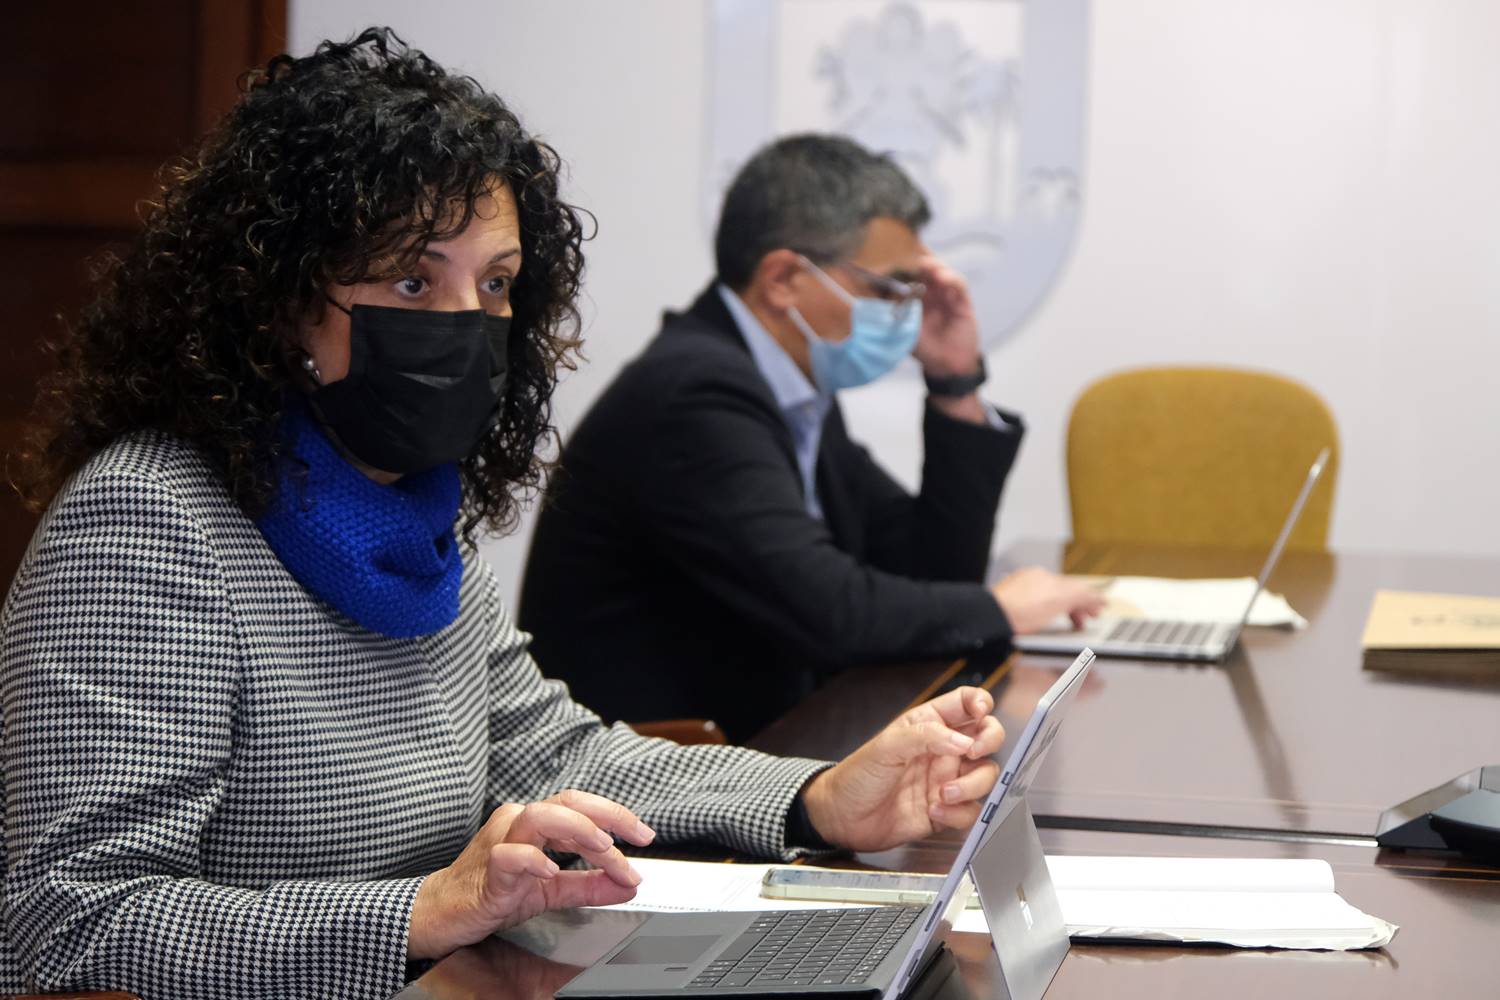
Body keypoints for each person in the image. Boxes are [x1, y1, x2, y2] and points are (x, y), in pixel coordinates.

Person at [0, 30, 1007, 1000]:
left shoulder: (415, 510)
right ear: (282, 298)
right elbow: (69, 917)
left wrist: (817, 796)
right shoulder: (149, 523)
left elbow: (559, 752)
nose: (464, 324)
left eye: (494, 284)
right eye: (411, 278)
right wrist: (423, 910)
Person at [519, 134, 1103, 740]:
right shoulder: (696, 396)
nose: (905, 313)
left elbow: (931, 570)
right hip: (647, 768)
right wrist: (1000, 608)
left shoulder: (791, 387)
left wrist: (955, 382)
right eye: (888, 289)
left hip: (757, 735)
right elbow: (831, 612)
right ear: (783, 279)